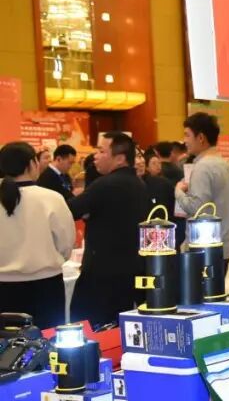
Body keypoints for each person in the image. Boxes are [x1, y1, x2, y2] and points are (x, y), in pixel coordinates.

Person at [69, 133, 150, 326]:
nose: (95, 156)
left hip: (102, 274)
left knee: (88, 324)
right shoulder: (139, 184)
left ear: (120, 158)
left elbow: (71, 209)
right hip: (129, 271)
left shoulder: (106, 185)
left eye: (101, 151)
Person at [0, 142, 76, 329]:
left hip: (3, 287)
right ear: (32, 164)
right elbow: (66, 244)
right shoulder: (51, 198)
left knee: (5, 343)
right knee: (47, 339)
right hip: (45, 286)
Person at [175, 113, 229, 269]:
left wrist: (178, 192)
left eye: (187, 135)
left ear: (201, 138)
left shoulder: (203, 167)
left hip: (203, 249)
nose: (184, 141)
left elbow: (196, 208)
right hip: (222, 246)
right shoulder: (223, 163)